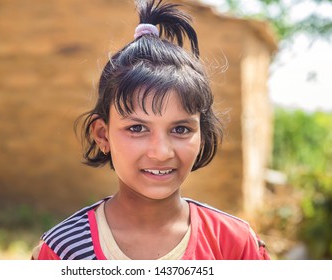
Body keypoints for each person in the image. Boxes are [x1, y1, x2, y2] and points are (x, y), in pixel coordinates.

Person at [32, 0, 270, 260]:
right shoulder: (63, 250)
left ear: (202, 134)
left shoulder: (233, 245)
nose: (161, 152)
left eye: (180, 129)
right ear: (102, 134)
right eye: (137, 128)